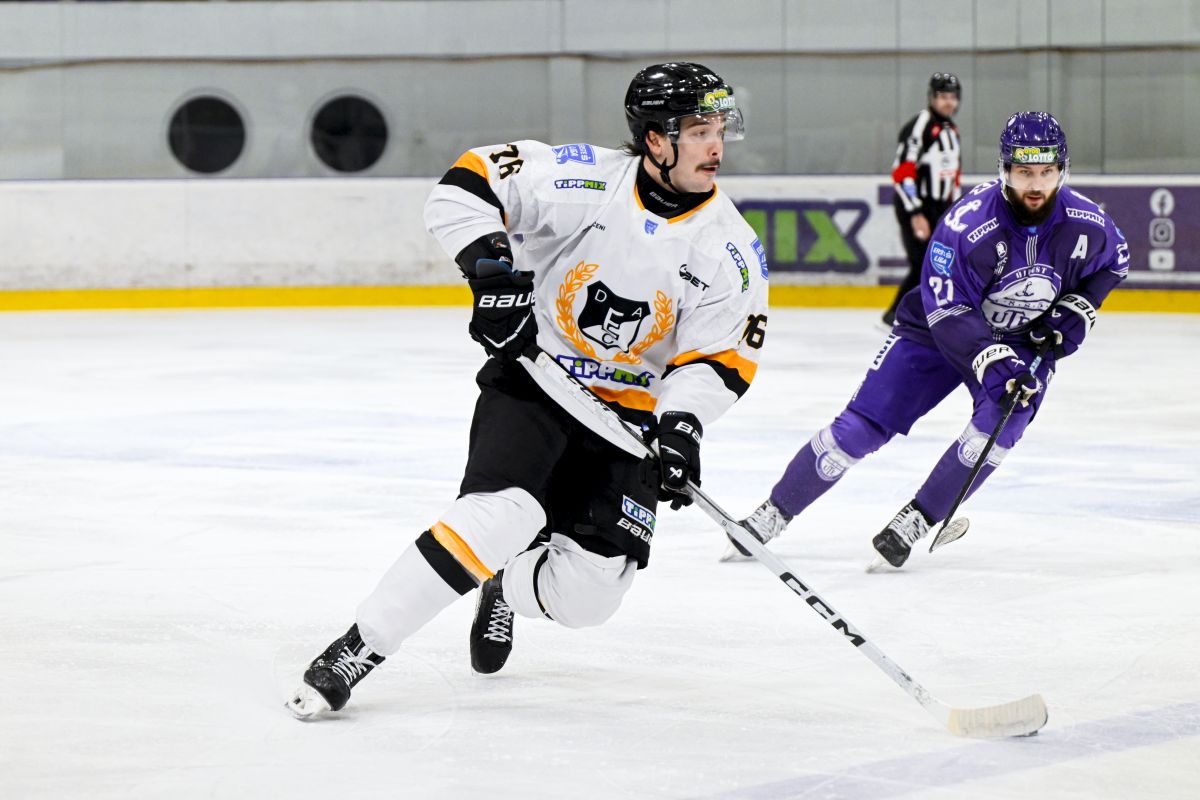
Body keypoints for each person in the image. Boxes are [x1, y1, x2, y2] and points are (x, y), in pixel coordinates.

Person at [287, 62, 769, 718]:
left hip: (625, 424)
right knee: (500, 515)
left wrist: (682, 425)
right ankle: (358, 648)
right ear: (657, 139)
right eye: (699, 131)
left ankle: (505, 585)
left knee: (589, 599)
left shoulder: (731, 246)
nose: (715, 147)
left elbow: (720, 357)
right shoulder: (585, 180)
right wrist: (492, 272)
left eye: (719, 130)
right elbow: (467, 184)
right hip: (536, 381)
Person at [722, 111, 1128, 568]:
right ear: (1004, 169)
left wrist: (1078, 308)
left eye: (1046, 172)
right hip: (935, 333)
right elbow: (948, 311)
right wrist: (992, 360)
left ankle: (916, 518)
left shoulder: (1087, 221)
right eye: (1023, 172)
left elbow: (1115, 261)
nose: (1036, 184)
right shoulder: (967, 225)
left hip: (1021, 341)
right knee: (861, 427)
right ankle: (774, 512)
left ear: (1062, 170)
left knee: (1004, 422)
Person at [882, 73, 963, 327]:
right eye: (943, 96)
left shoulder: (951, 129)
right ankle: (895, 316)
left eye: (953, 97)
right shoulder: (920, 125)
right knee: (921, 263)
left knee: (939, 264)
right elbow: (902, 172)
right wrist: (916, 213)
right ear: (932, 97)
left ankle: (921, 315)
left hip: (941, 207)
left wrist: (954, 209)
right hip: (918, 204)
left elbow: (953, 175)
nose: (948, 102)